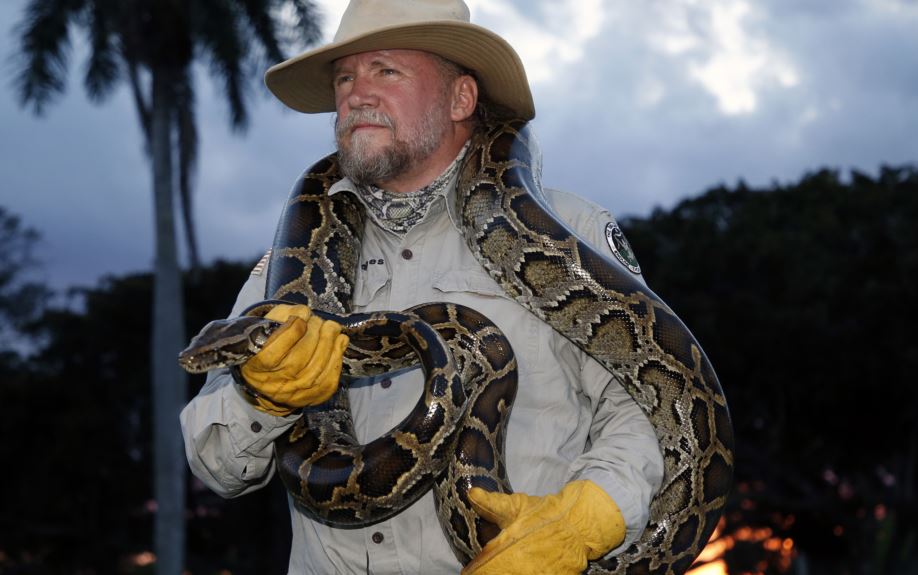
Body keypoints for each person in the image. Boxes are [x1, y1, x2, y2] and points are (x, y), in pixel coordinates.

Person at [180, 1, 663, 573]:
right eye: (344, 77)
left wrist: (594, 511)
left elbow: (646, 410)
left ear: (461, 99)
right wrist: (258, 398)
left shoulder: (570, 232)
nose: (356, 94)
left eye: (385, 70)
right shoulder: (284, 266)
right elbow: (214, 465)